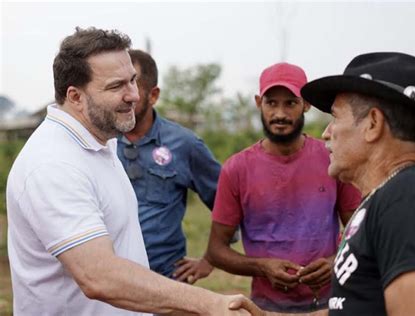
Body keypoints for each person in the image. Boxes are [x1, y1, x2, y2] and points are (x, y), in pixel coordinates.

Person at [6, 26, 256, 316]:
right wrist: (209, 303)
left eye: (133, 81)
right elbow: (99, 276)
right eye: (116, 86)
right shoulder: (53, 165)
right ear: (75, 96)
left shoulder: (102, 142)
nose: (134, 96)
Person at [297, 52, 415, 315]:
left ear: (373, 124)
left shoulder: (410, 202)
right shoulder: (389, 197)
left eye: (335, 117)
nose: (326, 132)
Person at [205, 62, 361, 313]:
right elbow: (216, 251)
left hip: (330, 302)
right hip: (265, 307)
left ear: (306, 105)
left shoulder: (333, 159)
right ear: (259, 103)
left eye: (290, 103)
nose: (280, 114)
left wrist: (334, 262)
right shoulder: (236, 169)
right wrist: (262, 267)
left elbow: (360, 232)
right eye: (271, 103)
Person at [117, 49, 219, 283]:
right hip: (112, 282)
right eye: (117, 88)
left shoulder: (185, 144)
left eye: (133, 88)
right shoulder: (100, 142)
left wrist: (211, 258)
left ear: (153, 95)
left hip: (166, 279)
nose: (125, 97)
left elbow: (227, 202)